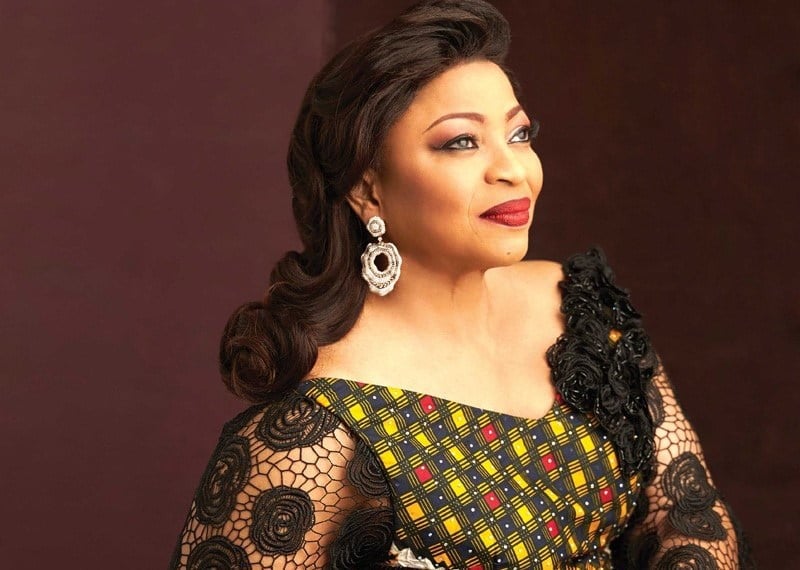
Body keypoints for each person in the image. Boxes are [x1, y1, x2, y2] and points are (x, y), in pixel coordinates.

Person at [170, 1, 750, 568]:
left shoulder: (579, 309)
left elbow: (685, 515)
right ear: (367, 189)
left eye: (519, 134)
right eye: (461, 142)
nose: (513, 170)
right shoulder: (317, 428)